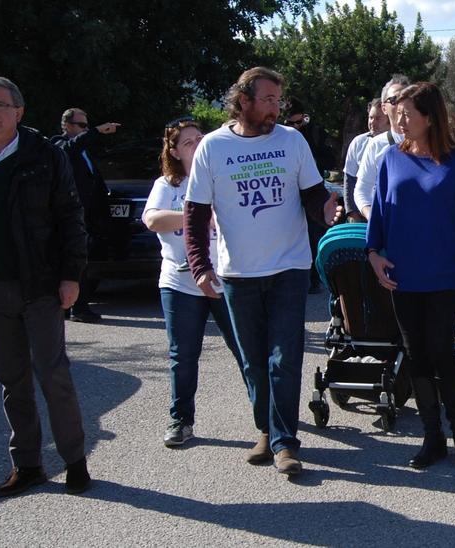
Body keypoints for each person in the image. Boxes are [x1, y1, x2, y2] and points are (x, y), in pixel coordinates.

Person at [182, 67, 341, 476]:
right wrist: (200, 265)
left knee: (283, 358)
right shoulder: (212, 148)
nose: (275, 108)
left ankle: (286, 442)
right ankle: (266, 431)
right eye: (268, 99)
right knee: (253, 360)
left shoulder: (292, 141)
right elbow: (196, 213)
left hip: (289, 266)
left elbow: (313, 196)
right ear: (244, 101)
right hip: (239, 274)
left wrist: (328, 209)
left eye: (278, 101)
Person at [0, 76, 92, 497]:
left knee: (53, 376)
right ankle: (27, 464)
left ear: (18, 111)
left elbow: (70, 217)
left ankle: (75, 462)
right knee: (12, 382)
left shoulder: (44, 155)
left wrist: (70, 276)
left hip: (40, 285)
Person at [366, 82, 455, 469]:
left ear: (430, 116)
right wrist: (373, 254)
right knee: (416, 354)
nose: (399, 120)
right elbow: (380, 213)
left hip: (446, 274)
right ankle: (432, 437)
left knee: (441, 350)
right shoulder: (390, 158)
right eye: (397, 112)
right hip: (403, 275)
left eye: (407, 114)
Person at [142, 117, 244, 447]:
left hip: (223, 278)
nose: (197, 144)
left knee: (245, 348)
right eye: (188, 142)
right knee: (183, 355)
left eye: (200, 138)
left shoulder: (220, 176)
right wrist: (195, 214)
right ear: (173, 151)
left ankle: (268, 413)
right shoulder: (168, 185)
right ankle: (180, 420)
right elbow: (152, 219)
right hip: (179, 282)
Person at [50, 108, 119, 323]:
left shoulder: (84, 152)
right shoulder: (60, 146)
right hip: (66, 218)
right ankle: (73, 307)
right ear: (67, 126)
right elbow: (71, 147)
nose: (85, 130)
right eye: (81, 126)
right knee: (71, 263)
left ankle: (79, 306)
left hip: (86, 217)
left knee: (83, 262)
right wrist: (97, 131)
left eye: (87, 126)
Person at [284, 100, 337, 294]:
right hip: (287, 195)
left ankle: (314, 279)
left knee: (314, 237)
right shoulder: (277, 137)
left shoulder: (315, 132)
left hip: (312, 192)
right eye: (293, 123)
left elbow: (330, 158)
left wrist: (312, 160)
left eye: (301, 122)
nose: (298, 127)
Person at [354, 74, 412, 220]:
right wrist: (374, 219)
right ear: (384, 108)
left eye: (405, 99)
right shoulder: (376, 144)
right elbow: (361, 190)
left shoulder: (424, 141)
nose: (400, 103)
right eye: (394, 100)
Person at [343, 99, 388, 221]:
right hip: (361, 212)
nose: (373, 122)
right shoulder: (358, 142)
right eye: (371, 118)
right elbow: (349, 179)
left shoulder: (397, 143)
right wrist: (352, 212)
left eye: (378, 118)